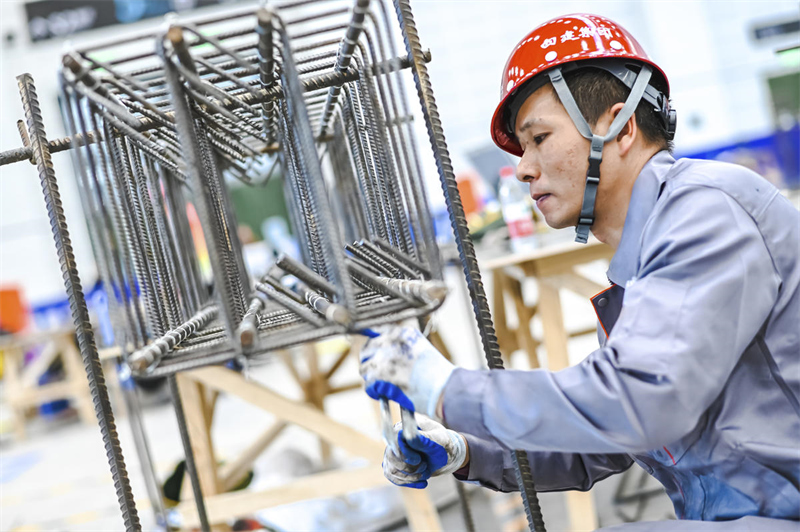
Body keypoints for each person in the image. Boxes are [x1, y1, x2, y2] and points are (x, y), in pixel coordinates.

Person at [359, 13, 800, 531]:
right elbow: (608, 440)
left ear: (621, 126)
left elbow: (638, 403)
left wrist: (447, 388)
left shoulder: (707, 211)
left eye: (538, 138)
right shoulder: (639, 272)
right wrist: (468, 452)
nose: (522, 168)